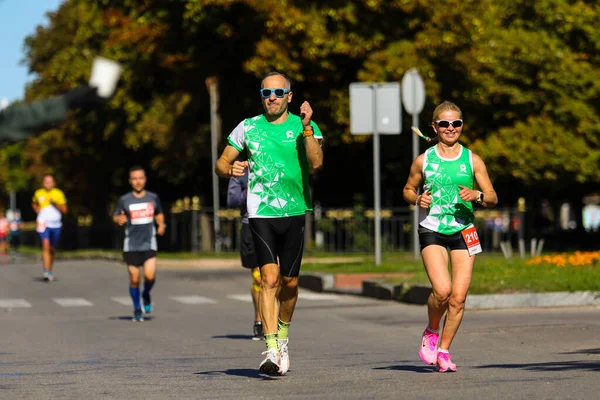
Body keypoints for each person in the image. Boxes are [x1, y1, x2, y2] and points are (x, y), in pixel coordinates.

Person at [215, 71, 323, 376]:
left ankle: (284, 337)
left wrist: (306, 130)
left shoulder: (305, 126)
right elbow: (221, 163)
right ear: (261, 96)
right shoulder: (247, 127)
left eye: (278, 93)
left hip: (294, 212)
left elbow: (316, 163)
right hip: (260, 213)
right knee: (268, 280)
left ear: (289, 96)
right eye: (266, 93)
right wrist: (230, 169)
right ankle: (272, 348)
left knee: (290, 284)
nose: (272, 98)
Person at [403, 101, 498, 372]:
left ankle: (443, 350)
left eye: (455, 123)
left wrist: (477, 195)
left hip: (464, 230)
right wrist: (417, 198)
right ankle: (432, 330)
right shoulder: (424, 160)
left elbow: (492, 196)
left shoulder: (472, 159)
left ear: (461, 126)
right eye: (444, 124)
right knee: (442, 291)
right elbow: (408, 190)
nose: (450, 128)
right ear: (435, 127)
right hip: (432, 227)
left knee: (458, 297)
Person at [113, 166, 165, 322]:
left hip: (149, 244)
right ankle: (137, 308)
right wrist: (118, 220)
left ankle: (146, 294)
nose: (138, 181)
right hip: (131, 246)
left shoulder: (153, 197)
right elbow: (116, 216)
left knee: (149, 276)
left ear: (145, 179)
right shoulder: (125, 200)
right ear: (130, 181)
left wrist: (161, 224)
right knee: (135, 278)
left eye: (140, 178)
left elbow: (159, 213)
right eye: (134, 179)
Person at [227, 168, 264, 340]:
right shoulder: (241, 171)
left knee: (274, 279)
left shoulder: (275, 162)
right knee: (259, 278)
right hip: (250, 226)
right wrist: (246, 192)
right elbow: (232, 200)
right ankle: (259, 321)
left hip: (275, 223)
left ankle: (273, 320)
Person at [32, 175, 68, 282]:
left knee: (52, 248)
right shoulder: (39, 193)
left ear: (54, 183)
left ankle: (49, 269)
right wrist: (37, 209)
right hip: (43, 222)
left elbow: (65, 210)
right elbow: (34, 203)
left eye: (50, 182)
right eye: (46, 182)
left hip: (56, 224)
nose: (48, 184)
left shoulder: (58, 193)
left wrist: (55, 203)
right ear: (43, 183)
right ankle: (46, 271)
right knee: (46, 245)